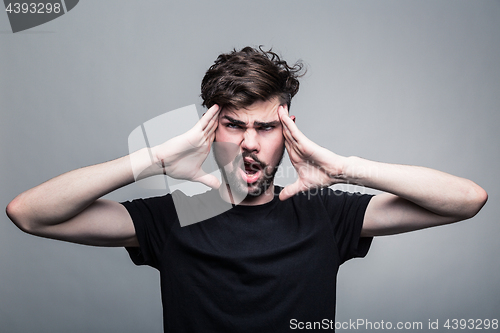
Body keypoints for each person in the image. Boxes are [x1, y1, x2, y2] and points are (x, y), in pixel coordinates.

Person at [6, 46, 487, 332]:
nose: (250, 144)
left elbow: (467, 200)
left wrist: (345, 169)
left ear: (288, 129)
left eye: (265, 127)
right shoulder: (171, 217)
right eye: (234, 126)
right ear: (209, 129)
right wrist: (153, 159)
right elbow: (29, 213)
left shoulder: (326, 213)